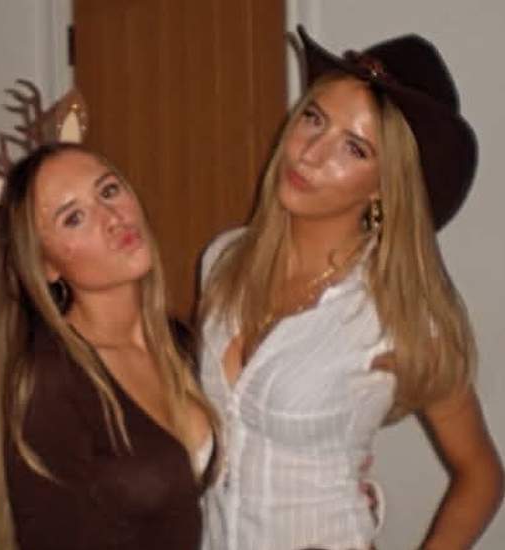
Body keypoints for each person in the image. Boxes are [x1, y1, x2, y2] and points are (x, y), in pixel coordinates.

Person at [198, 26, 504, 550]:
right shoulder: (223, 261)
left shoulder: (398, 313)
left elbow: (481, 475)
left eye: (354, 149)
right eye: (314, 119)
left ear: (385, 185)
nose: (310, 154)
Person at [0, 136, 218, 549]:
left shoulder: (178, 343)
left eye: (109, 191)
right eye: (74, 217)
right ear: (45, 265)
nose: (113, 218)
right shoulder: (51, 381)